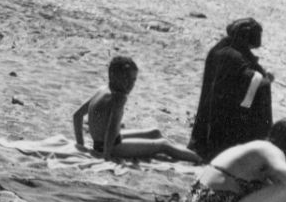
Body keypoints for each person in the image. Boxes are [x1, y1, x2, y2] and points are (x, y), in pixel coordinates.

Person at [73, 55, 201, 163]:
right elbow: (112, 129)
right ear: (113, 77)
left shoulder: (103, 89)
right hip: (111, 146)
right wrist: (106, 157)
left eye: (133, 80)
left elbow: (77, 116)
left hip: (102, 142)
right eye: (126, 79)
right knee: (164, 145)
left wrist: (81, 145)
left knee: (155, 132)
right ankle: (201, 160)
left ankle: (184, 152)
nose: (130, 84)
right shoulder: (119, 98)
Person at [190, 17, 275, 159]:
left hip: (214, 109)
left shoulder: (221, 48)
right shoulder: (232, 55)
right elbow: (248, 80)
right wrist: (267, 79)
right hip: (226, 114)